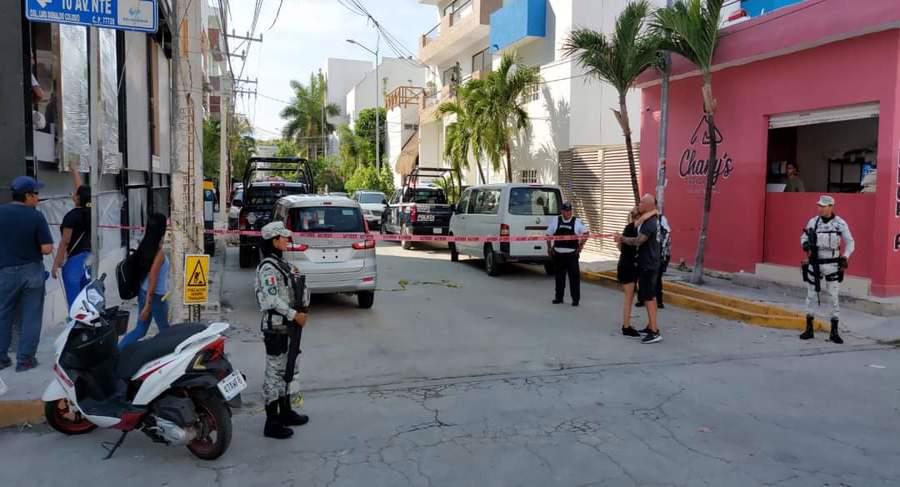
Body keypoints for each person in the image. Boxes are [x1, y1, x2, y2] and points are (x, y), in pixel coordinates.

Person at [256, 221, 310, 439]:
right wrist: (293, 315)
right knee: (274, 375)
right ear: (274, 241)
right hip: (277, 327)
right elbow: (271, 299)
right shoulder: (268, 268)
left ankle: (286, 412)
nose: (287, 240)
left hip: (289, 327)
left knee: (289, 369)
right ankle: (272, 422)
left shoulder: (282, 264)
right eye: (283, 237)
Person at [0, 177, 53, 371]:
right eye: (36, 194)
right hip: (32, 271)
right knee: (31, 316)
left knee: (3, 314)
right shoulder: (35, 216)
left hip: (4, 271)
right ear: (27, 196)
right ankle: (25, 360)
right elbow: (47, 248)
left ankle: (1, 358)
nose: (38, 198)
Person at [800, 195, 854, 344]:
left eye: (823, 206)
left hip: (832, 264)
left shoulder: (839, 224)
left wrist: (845, 257)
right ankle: (809, 328)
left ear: (831, 207)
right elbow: (803, 236)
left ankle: (834, 331)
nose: (820, 208)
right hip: (814, 262)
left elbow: (850, 242)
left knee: (833, 297)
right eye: (819, 205)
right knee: (810, 295)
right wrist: (805, 244)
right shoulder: (813, 222)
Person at [616, 194, 663, 344]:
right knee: (651, 296)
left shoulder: (648, 223)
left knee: (648, 297)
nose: (639, 204)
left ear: (649, 205)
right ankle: (651, 327)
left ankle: (654, 331)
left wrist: (621, 239)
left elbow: (638, 241)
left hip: (647, 265)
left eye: (642, 202)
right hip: (648, 264)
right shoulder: (649, 220)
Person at [119, 213, 170, 349]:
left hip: (143, 292)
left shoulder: (145, 246)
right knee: (166, 331)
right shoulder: (159, 254)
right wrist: (148, 306)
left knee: (140, 330)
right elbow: (153, 279)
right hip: (155, 297)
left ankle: (118, 351)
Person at [51, 162, 92, 308]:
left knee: (75, 305)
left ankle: (75, 328)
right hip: (89, 260)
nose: (73, 194)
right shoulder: (92, 213)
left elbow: (65, 242)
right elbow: (82, 191)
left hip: (74, 262)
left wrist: (56, 263)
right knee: (86, 301)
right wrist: (75, 171)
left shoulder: (71, 217)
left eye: (75, 194)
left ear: (78, 198)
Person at [546, 203, 587, 306]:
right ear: (562, 211)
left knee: (574, 278)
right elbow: (548, 235)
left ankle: (575, 300)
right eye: (566, 211)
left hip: (571, 255)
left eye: (570, 211)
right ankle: (559, 298)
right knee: (559, 278)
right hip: (558, 255)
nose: (568, 213)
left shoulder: (577, 222)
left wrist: (581, 246)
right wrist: (549, 248)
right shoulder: (556, 220)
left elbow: (586, 234)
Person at [636, 210, 671, 309]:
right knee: (642, 278)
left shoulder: (660, 219)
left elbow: (667, 234)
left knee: (657, 278)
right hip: (644, 254)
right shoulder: (641, 219)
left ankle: (659, 301)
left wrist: (662, 250)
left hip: (658, 254)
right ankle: (641, 299)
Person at [617, 207, 641, 337]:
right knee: (629, 298)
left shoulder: (628, 228)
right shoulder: (634, 229)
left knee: (629, 297)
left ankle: (627, 324)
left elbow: (621, 247)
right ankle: (626, 326)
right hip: (628, 266)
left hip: (625, 264)